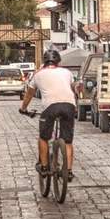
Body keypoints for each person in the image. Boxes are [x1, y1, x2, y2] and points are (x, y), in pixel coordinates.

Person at [20, 50, 77, 180]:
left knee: (43, 137)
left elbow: (29, 94)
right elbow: (73, 89)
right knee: (68, 141)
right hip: (69, 106)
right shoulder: (67, 72)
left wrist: (23, 108)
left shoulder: (38, 74)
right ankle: (68, 171)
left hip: (50, 107)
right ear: (58, 61)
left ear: (44, 61)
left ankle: (44, 167)